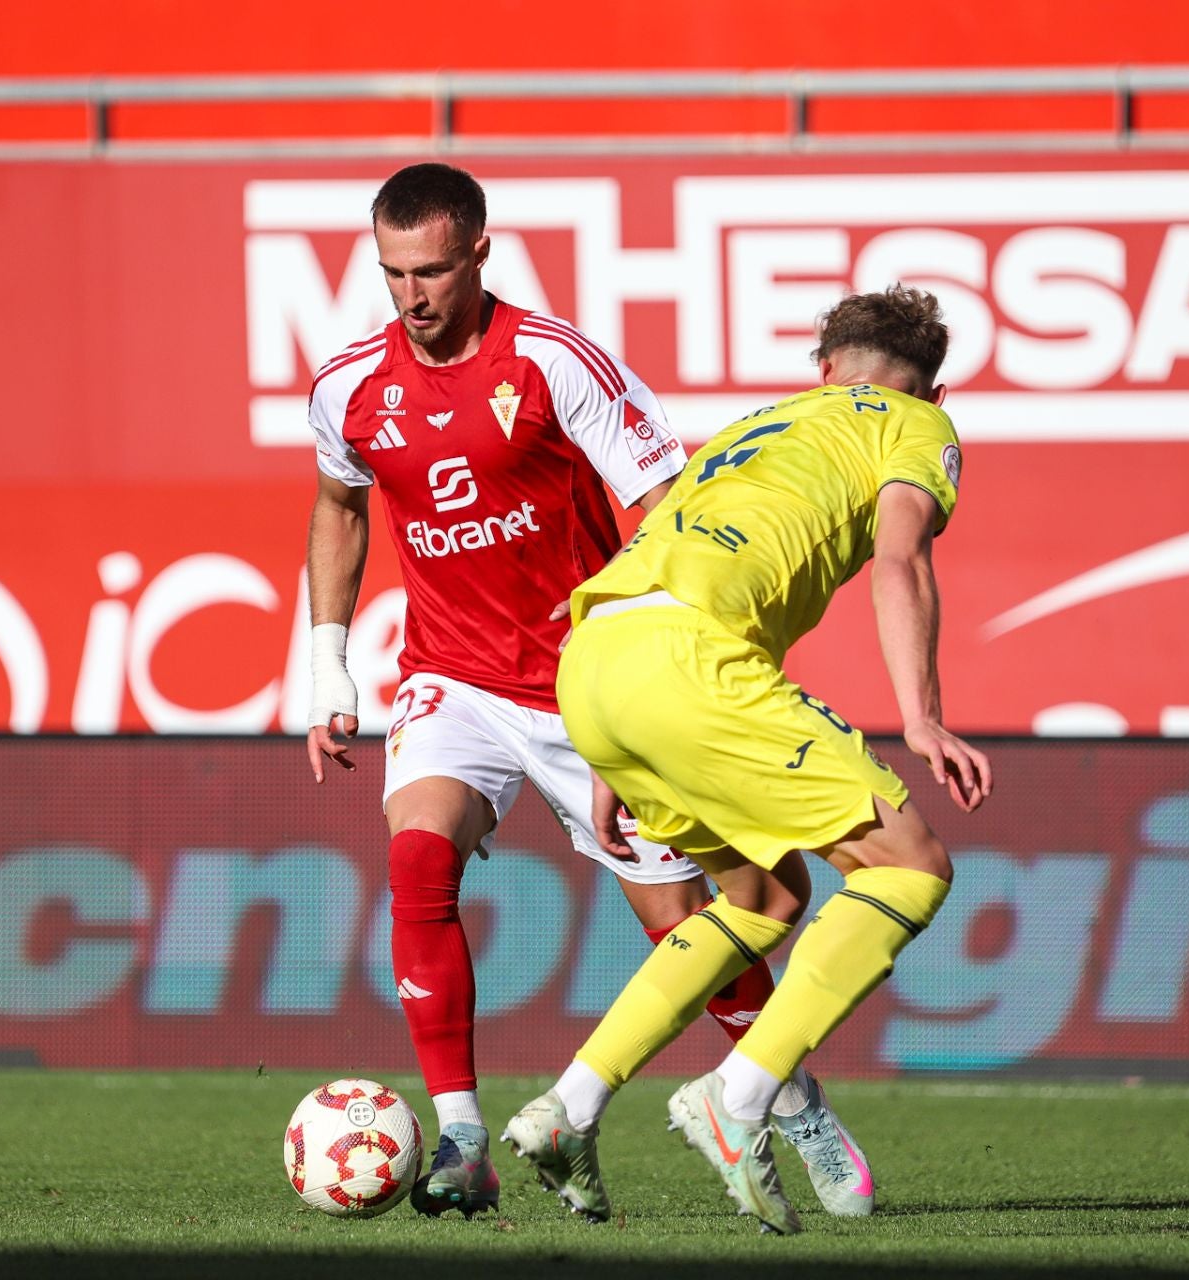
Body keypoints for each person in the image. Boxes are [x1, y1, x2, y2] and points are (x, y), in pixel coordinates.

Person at [304, 163, 864, 1220]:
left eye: (429, 271)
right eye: (391, 274)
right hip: (450, 673)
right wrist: (328, 661)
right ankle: (464, 1136)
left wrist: (649, 660)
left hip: (584, 683)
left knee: (694, 919)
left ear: (478, 253)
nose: (410, 297)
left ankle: (786, 1098)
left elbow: (664, 497)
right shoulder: (347, 385)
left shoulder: (554, 362)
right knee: (417, 857)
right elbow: (339, 507)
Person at [503, 285, 992, 1234]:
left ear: (824, 371)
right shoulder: (915, 429)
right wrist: (922, 718)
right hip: (690, 661)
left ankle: (568, 1107)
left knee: (763, 899)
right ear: (935, 391)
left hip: (595, 661)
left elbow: (650, 541)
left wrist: (610, 756)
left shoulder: (757, 423)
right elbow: (902, 561)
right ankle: (740, 1095)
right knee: (911, 867)